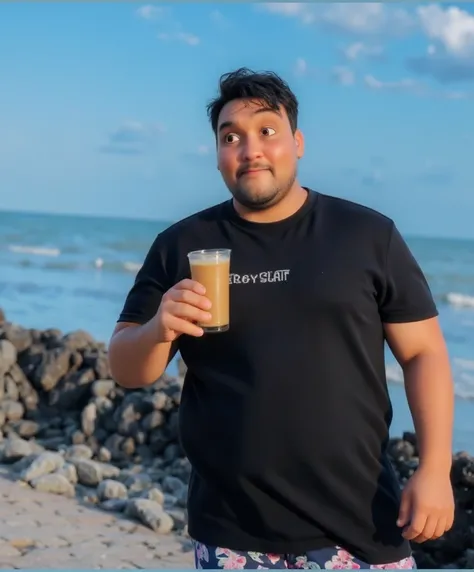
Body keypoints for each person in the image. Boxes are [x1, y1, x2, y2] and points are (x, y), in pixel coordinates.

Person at [108, 68, 455, 570]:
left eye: (267, 131)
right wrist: (159, 327)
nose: (250, 149)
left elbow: (423, 352)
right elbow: (125, 368)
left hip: (360, 523)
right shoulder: (181, 245)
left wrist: (435, 468)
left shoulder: (366, 235)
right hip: (232, 530)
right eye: (231, 137)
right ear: (219, 154)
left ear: (297, 142)